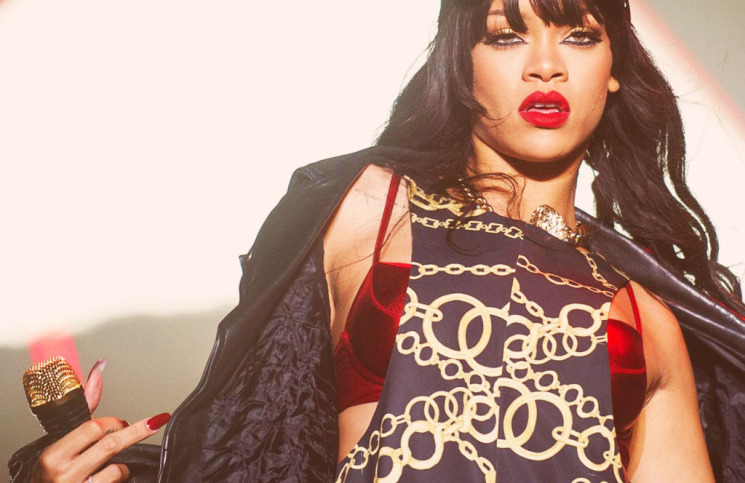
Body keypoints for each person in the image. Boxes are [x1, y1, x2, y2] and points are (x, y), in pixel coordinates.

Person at [10, 0, 745, 481]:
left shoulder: (644, 315)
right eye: (505, 34)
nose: (545, 64)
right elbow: (250, 437)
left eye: (579, 35)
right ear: (459, 64)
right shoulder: (368, 207)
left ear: (614, 72)